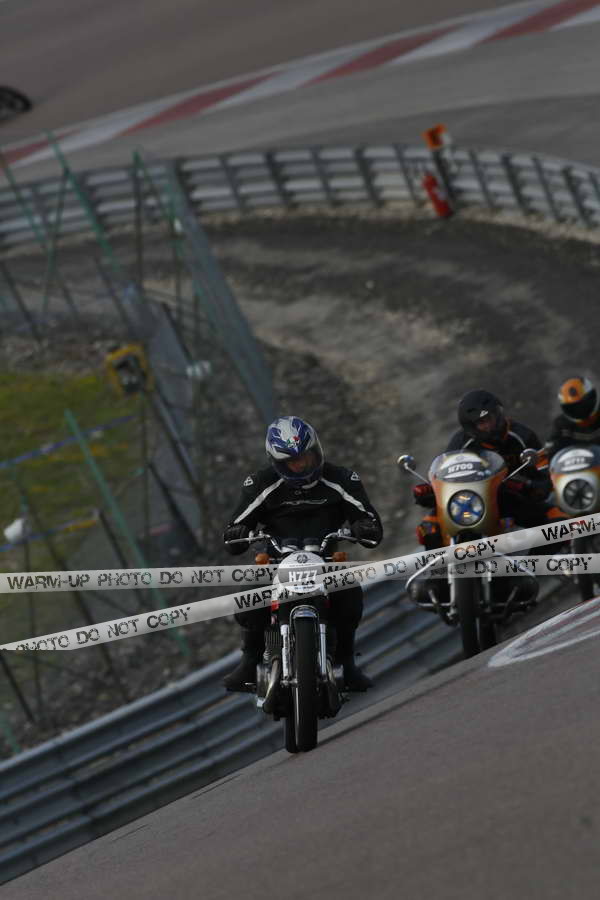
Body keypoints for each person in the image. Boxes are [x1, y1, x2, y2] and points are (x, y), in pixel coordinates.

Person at [222, 416, 383, 693]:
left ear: (316, 450)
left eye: (305, 456)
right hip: (275, 561)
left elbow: (371, 522)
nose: (301, 465)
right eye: (292, 461)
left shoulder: (342, 479)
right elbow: (233, 530)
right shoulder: (260, 483)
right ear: (277, 462)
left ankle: (346, 663)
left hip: (326, 560)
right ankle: (249, 661)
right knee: (250, 594)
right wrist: (238, 533)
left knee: (350, 591)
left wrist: (363, 526)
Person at [409, 389, 549, 609]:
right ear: (470, 427)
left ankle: (526, 574)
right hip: (469, 502)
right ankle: (437, 581)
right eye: (481, 423)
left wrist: (535, 488)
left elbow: (544, 471)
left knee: (557, 520)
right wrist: (430, 490)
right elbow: (443, 476)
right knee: (429, 526)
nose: (488, 425)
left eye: (490, 418)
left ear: (499, 413)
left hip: (508, 497)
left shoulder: (522, 435)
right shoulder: (460, 442)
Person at [545, 376, 600, 456]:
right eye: (573, 408)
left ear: (593, 398)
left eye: (582, 405)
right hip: (573, 463)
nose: (579, 410)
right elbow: (550, 453)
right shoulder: (561, 425)